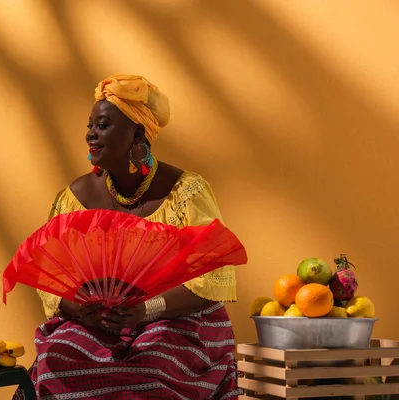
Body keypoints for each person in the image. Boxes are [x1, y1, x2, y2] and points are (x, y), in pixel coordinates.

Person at [14, 74, 243, 400]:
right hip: (98, 326)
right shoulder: (74, 199)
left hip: (176, 320)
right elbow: (52, 281)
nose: (90, 134)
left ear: (137, 133)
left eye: (103, 125)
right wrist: (80, 310)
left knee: (149, 366)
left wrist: (145, 310)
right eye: (89, 125)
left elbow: (212, 281)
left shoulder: (185, 192)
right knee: (57, 359)